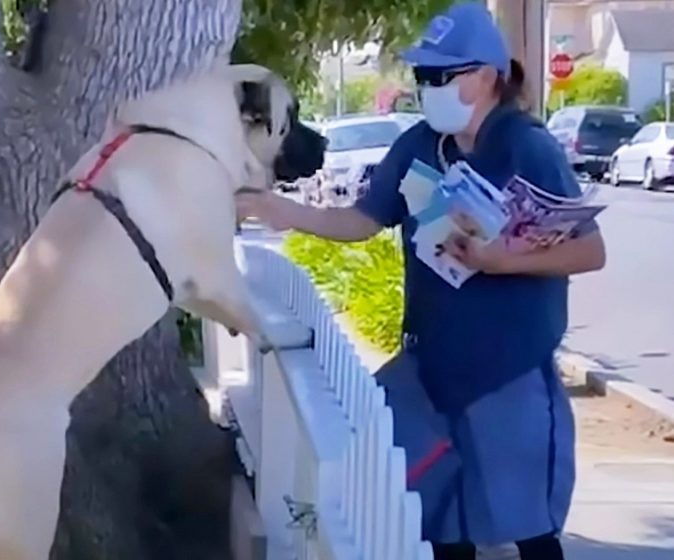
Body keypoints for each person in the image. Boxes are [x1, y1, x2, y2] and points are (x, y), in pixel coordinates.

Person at [236, 2, 606, 560]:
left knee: (527, 525)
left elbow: (590, 251)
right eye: (421, 76)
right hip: (431, 370)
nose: (427, 87)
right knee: (437, 522)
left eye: (441, 76)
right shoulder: (418, 145)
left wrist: (499, 260)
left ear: (486, 77)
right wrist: (281, 211)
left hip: (509, 372)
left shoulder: (527, 147)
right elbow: (363, 219)